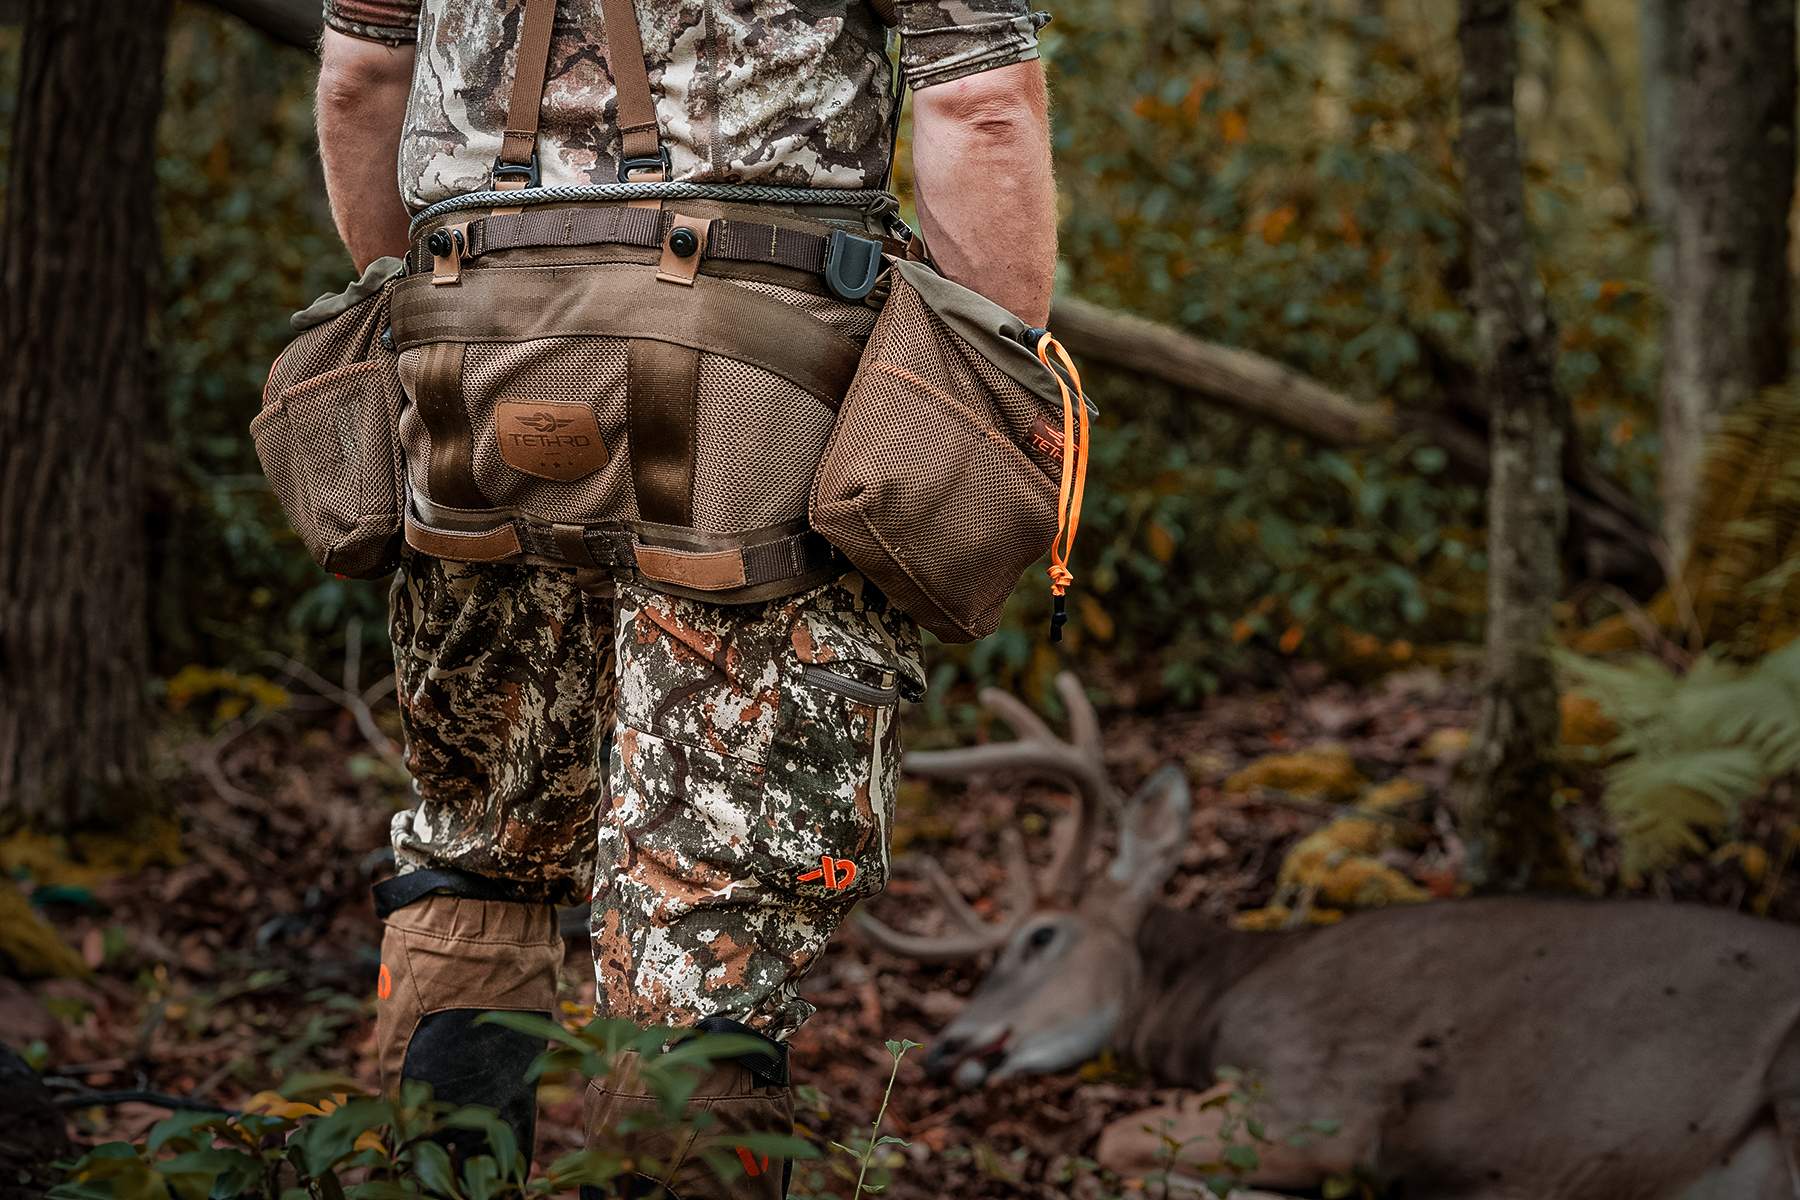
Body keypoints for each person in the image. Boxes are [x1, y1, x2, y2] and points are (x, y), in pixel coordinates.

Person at [312, 0, 1058, 1193]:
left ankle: (435, 1176)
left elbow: (359, 78)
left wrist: (455, 321)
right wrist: (987, 392)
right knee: (709, 897)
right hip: (764, 382)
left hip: (466, 370)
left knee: (483, 846)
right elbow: (978, 102)